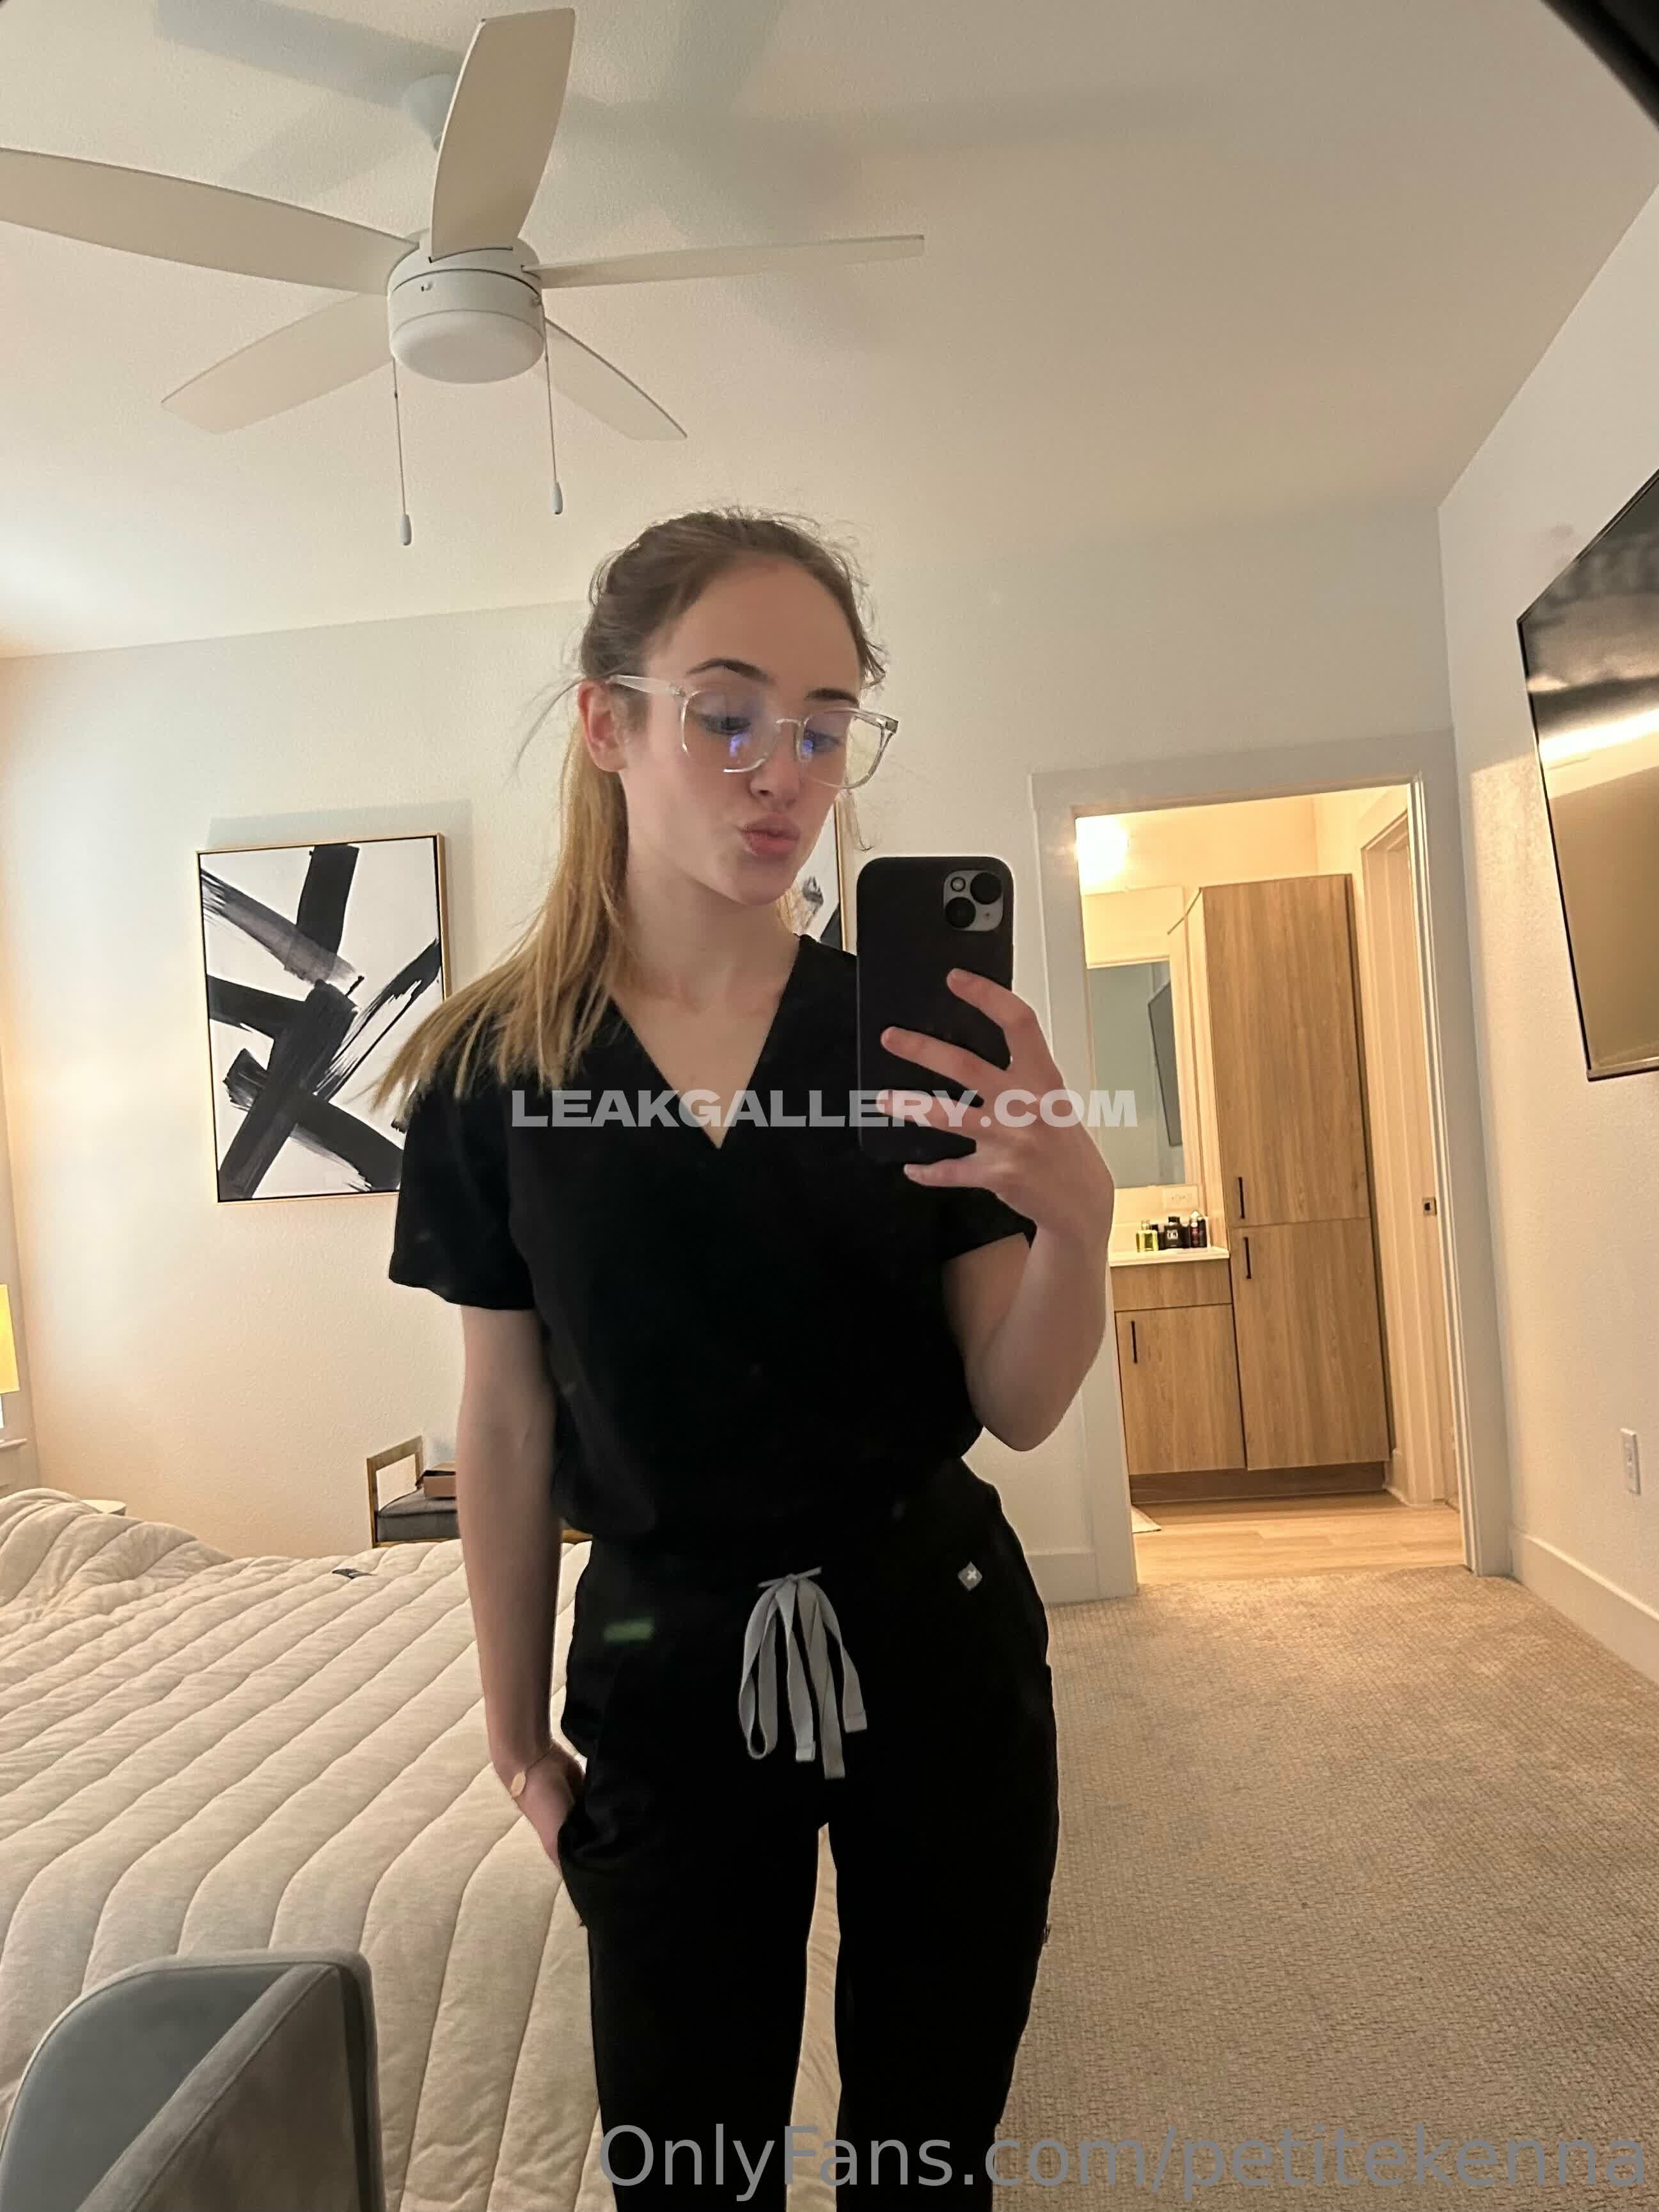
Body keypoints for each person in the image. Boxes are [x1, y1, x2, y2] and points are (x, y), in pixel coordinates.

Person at [377, 506, 1115, 2207]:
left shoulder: (911, 1037)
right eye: (727, 714)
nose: (784, 772)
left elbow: (1015, 1403)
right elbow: (503, 1419)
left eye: (826, 726)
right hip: (662, 1666)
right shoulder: (494, 1069)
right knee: (686, 2172)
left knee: (924, 2161)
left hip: (938, 1640)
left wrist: (1077, 1219)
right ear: (605, 721)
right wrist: (512, 1734)